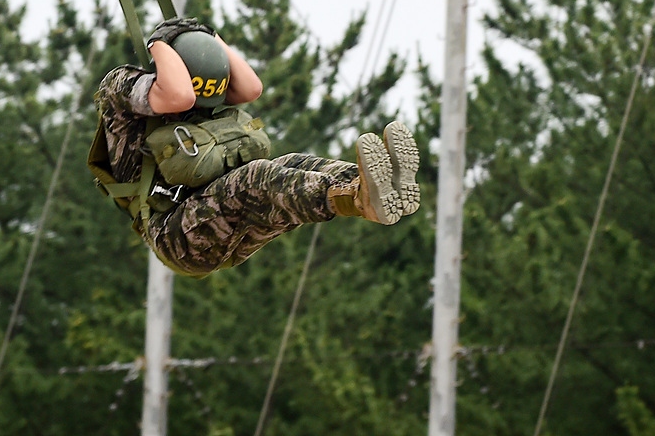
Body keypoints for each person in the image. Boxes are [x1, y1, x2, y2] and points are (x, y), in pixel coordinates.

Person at [88, 17, 421, 278]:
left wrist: (211, 37)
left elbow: (251, 88)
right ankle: (356, 197)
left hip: (220, 224)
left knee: (294, 164)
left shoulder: (199, 90)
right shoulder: (123, 86)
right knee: (258, 177)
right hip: (177, 235)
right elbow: (180, 95)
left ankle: (373, 186)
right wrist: (160, 42)